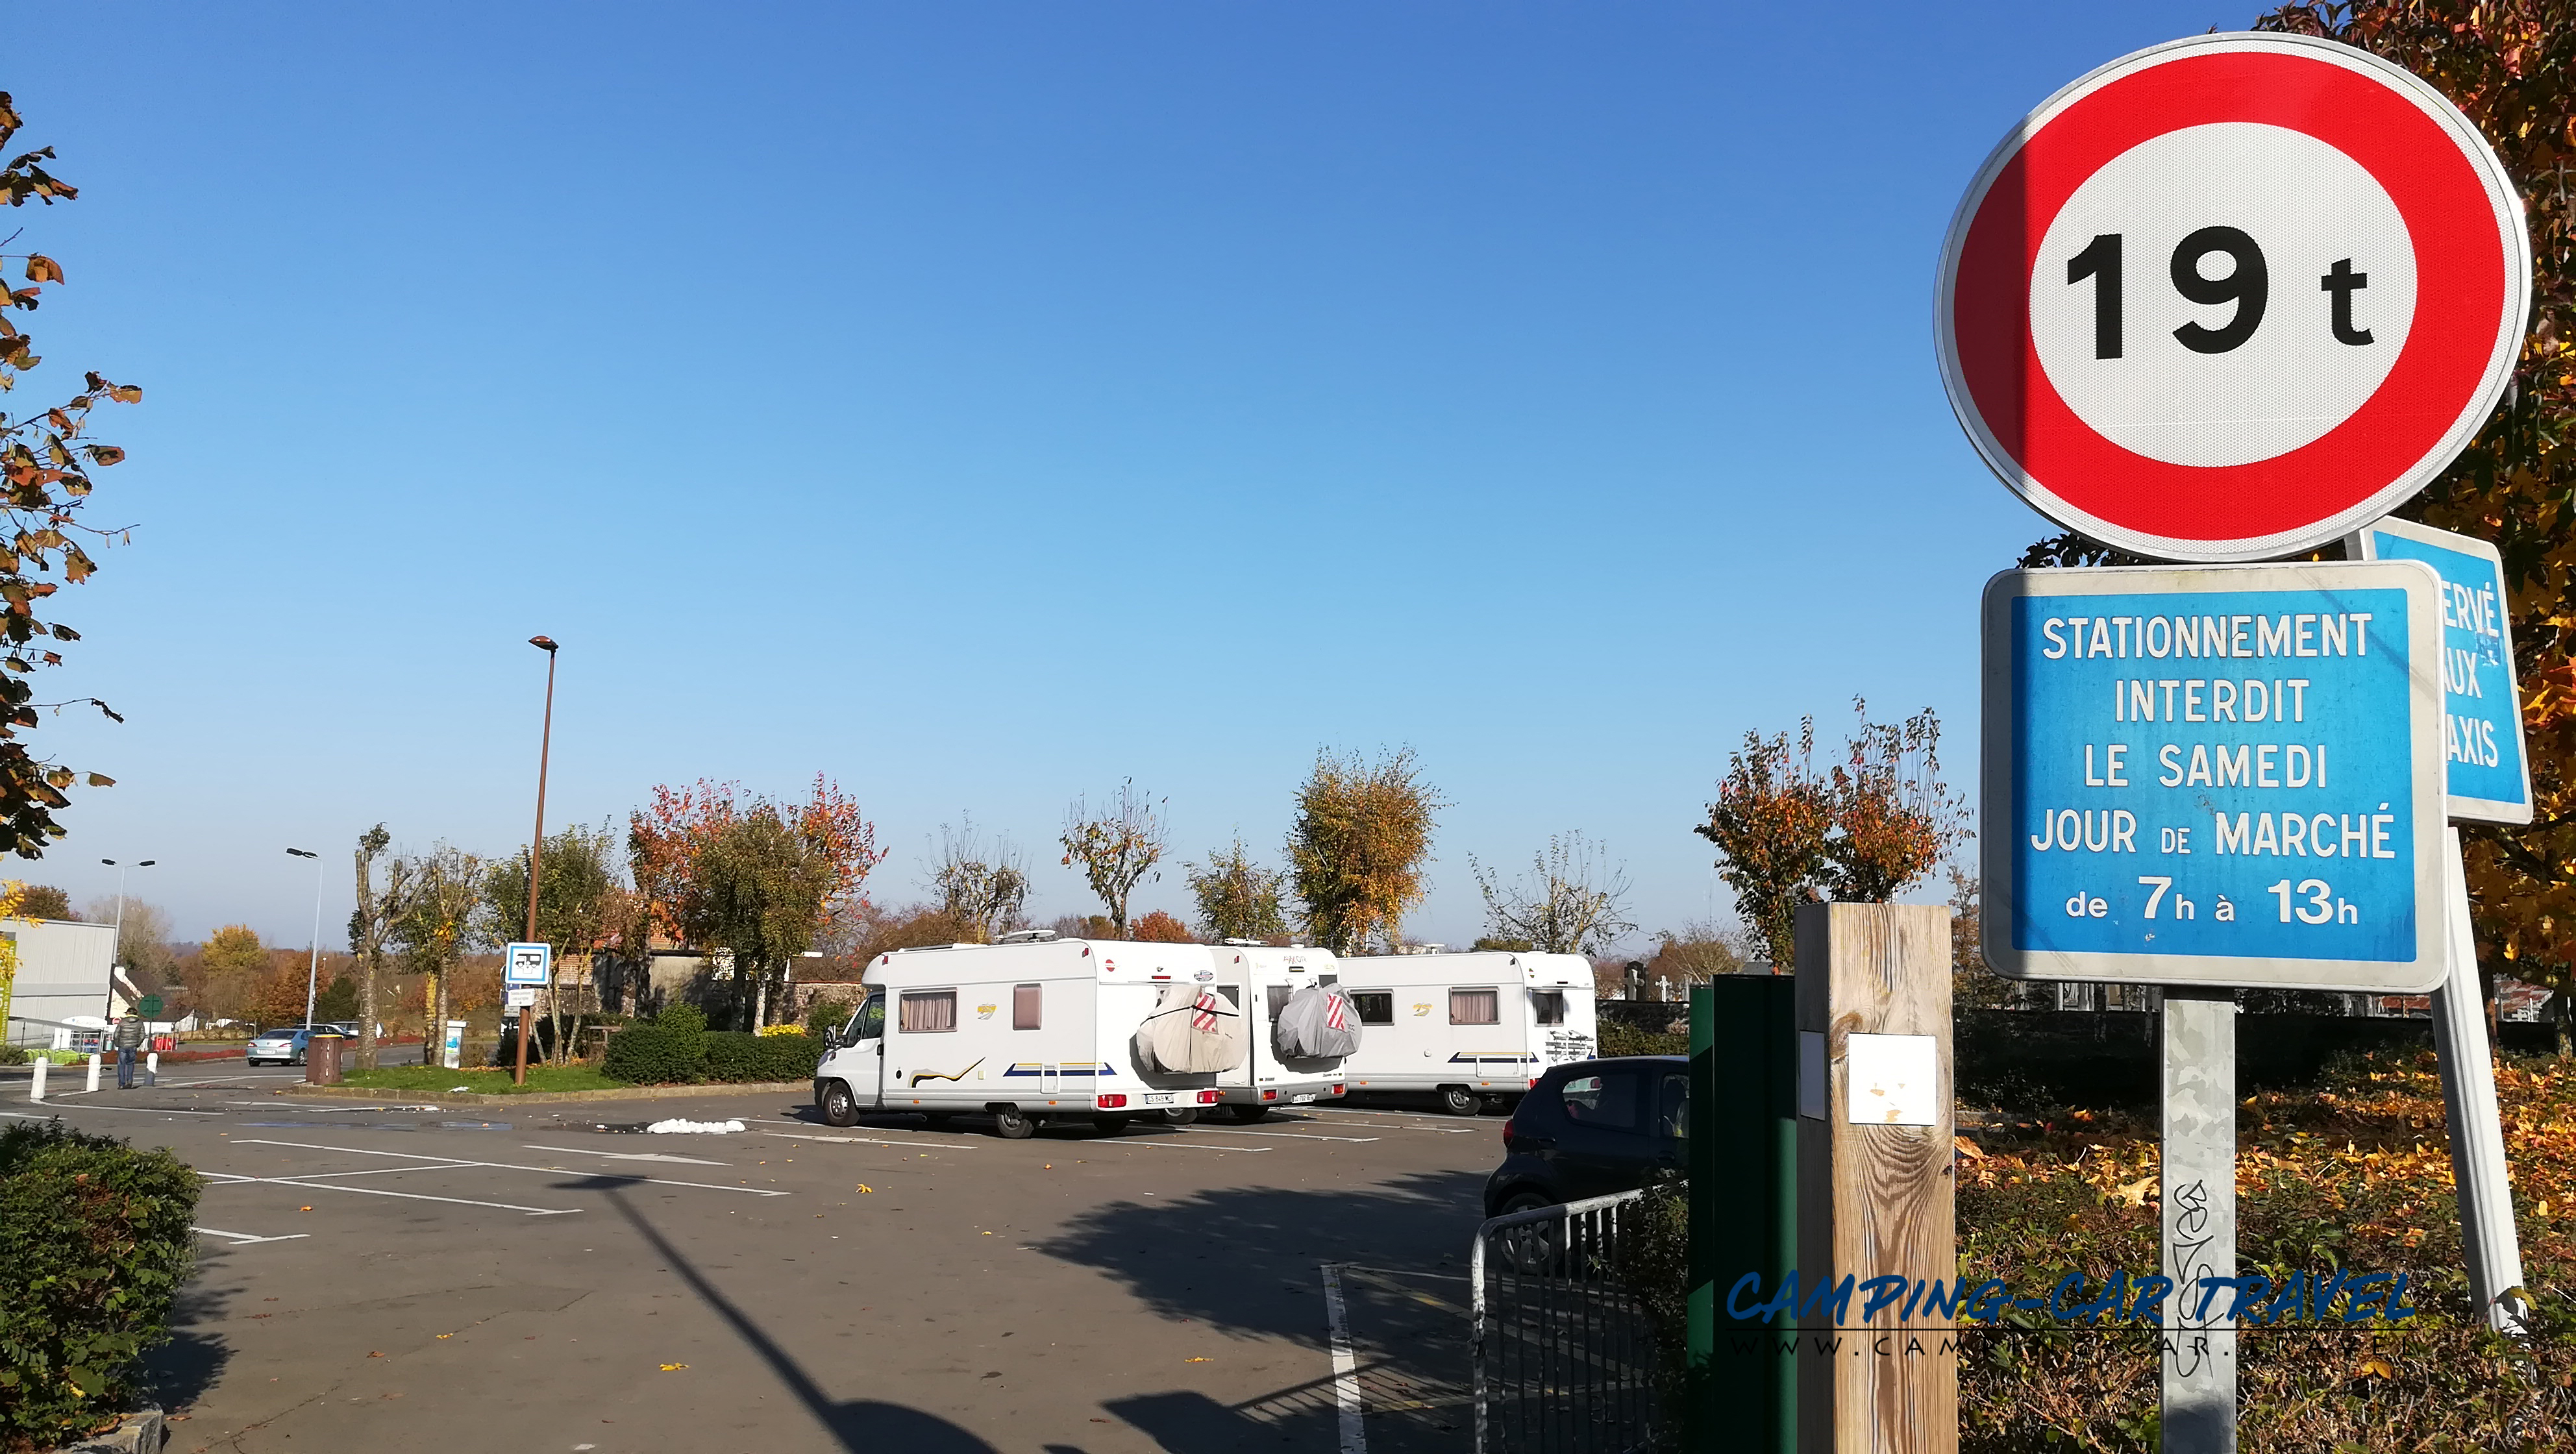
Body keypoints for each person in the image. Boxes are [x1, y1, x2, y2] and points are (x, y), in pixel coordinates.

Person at [110, 1012, 145, 1090]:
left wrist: (117, 1044)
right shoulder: (140, 1023)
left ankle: (121, 1084)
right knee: (130, 1064)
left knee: (121, 1065)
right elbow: (142, 1035)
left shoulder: (122, 1022)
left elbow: (116, 1035)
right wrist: (137, 1044)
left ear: (128, 1013)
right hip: (133, 1046)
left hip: (123, 1045)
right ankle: (129, 1082)